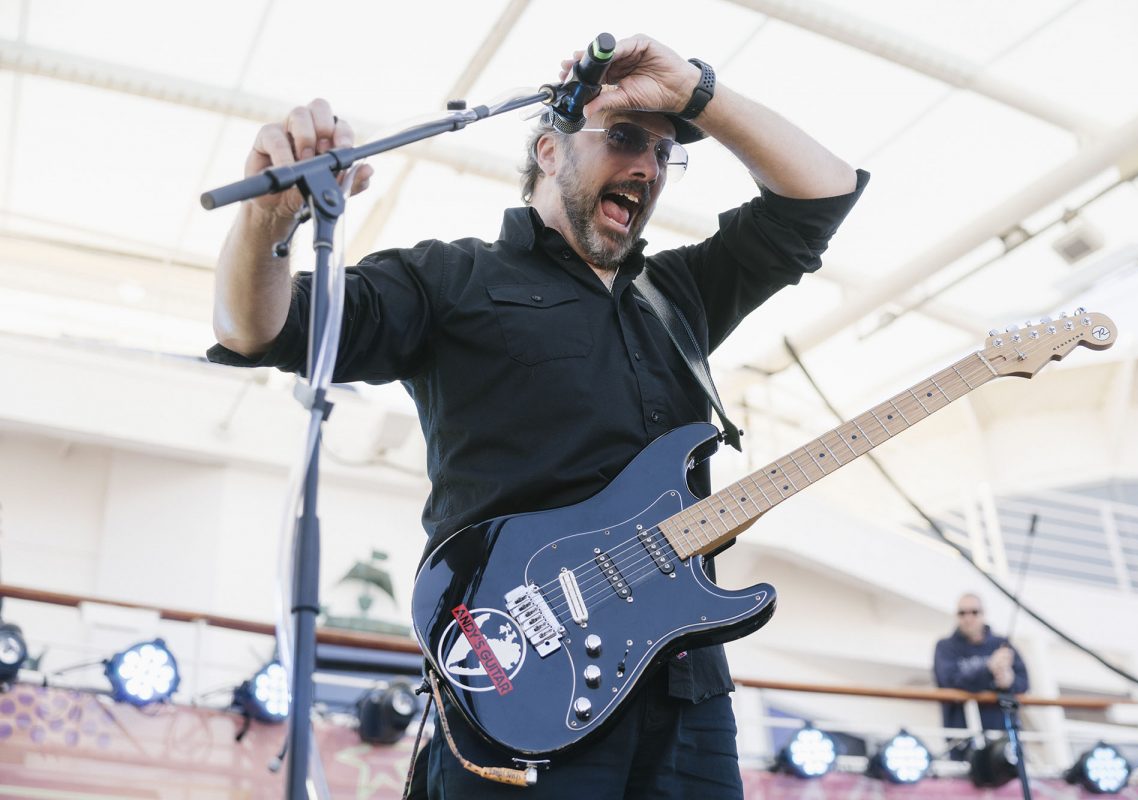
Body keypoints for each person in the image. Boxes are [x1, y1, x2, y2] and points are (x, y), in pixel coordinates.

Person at [208, 34, 867, 800]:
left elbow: (822, 193)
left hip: (687, 697)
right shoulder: (451, 279)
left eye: (664, 153)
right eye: (625, 138)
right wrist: (268, 222)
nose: (649, 168)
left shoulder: (678, 293)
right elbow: (257, 328)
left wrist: (695, 90)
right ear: (549, 151)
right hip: (521, 679)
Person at [934, 593, 1030, 757]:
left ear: (983, 614)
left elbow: (1023, 683)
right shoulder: (945, 647)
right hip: (961, 740)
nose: (968, 618)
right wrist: (988, 668)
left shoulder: (1003, 645)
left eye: (974, 612)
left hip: (1004, 737)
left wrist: (1009, 681)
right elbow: (949, 680)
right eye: (962, 613)